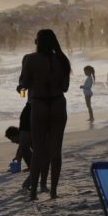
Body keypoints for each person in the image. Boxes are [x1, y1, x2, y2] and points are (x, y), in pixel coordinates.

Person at [17, 29, 71, 201]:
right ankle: (53, 190)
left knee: (39, 151)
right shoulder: (62, 59)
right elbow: (65, 87)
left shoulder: (31, 59)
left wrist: (21, 90)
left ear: (38, 42)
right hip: (57, 103)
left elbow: (24, 85)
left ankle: (33, 193)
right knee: (56, 150)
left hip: (39, 103)